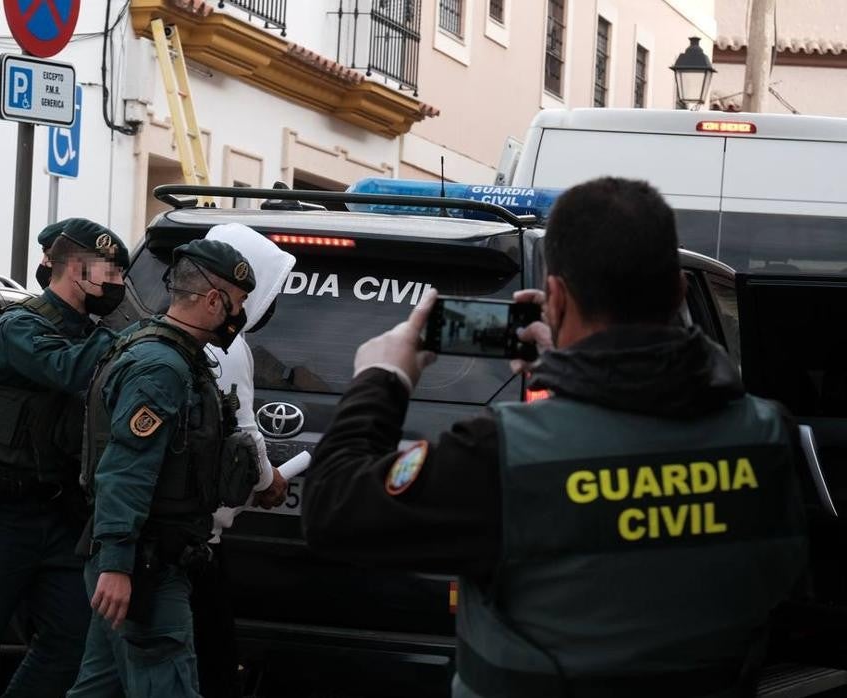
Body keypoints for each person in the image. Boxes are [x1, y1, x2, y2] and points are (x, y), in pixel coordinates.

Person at [302, 177, 809, 697]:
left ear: (558, 298)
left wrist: (384, 377)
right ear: (680, 292)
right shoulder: (770, 436)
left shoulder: (502, 455)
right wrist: (568, 377)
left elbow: (333, 507)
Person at [0, 218, 130, 698]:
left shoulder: (85, 331)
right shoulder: (20, 327)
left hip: (59, 516)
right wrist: (120, 331)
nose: (119, 287)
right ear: (77, 270)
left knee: (73, 643)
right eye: (113, 275)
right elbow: (69, 369)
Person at [69, 239, 261, 697]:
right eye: (237, 304)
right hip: (145, 564)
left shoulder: (169, 354)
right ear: (214, 300)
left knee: (99, 686)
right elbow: (124, 469)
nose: (239, 316)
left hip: (142, 557)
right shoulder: (162, 368)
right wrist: (118, 565)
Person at [195, 223, 295, 698]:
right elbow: (245, 435)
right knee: (208, 668)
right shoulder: (229, 348)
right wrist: (269, 480)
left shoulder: (159, 333)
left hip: (151, 540)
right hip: (194, 545)